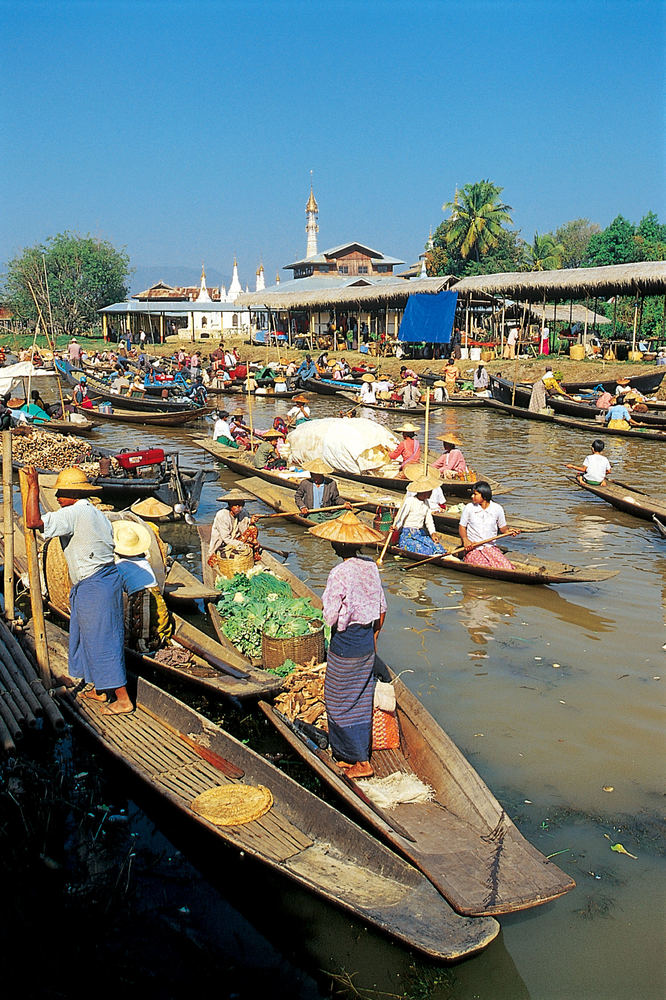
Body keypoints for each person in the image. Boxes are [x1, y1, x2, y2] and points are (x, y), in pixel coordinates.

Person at [23, 466, 133, 715]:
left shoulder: (73, 513)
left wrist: (33, 487)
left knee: (102, 640)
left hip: (96, 584)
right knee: (87, 638)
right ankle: (100, 689)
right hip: (102, 581)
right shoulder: (94, 513)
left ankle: (123, 699)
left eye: (60, 492)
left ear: (72, 494)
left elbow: (33, 522)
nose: (58, 497)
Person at [308, 511, 387, 779]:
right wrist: (374, 638)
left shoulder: (339, 573)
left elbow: (330, 615)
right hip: (365, 640)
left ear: (336, 545)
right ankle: (350, 754)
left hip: (346, 642)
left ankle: (360, 761)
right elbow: (382, 608)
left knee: (338, 697)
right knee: (361, 696)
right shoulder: (371, 567)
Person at [112, 519, 174, 653]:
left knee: (137, 630)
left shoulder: (120, 565)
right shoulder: (143, 560)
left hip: (139, 597)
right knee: (158, 621)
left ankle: (142, 650)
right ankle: (157, 639)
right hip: (156, 595)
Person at [458, 481, 519, 569]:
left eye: (475, 494)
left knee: (507, 567)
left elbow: (502, 528)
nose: (472, 496)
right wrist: (465, 540)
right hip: (473, 548)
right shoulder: (469, 508)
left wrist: (508, 531)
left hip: (490, 548)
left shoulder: (497, 509)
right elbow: (462, 526)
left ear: (484, 495)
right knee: (484, 566)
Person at [392, 475, 448, 555]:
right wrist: (396, 527)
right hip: (408, 535)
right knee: (424, 550)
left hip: (420, 533)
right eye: (430, 491)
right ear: (425, 492)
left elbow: (429, 520)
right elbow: (401, 516)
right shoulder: (410, 501)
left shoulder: (426, 503)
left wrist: (433, 533)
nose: (432, 493)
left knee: (437, 547)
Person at [208, 489, 261, 565]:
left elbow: (246, 524)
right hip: (223, 545)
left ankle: (250, 552)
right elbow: (226, 538)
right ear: (230, 505)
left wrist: (251, 521)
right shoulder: (222, 515)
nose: (239, 508)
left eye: (241, 505)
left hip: (237, 540)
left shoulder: (243, 512)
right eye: (236, 505)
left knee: (252, 528)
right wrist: (242, 545)